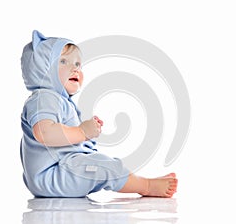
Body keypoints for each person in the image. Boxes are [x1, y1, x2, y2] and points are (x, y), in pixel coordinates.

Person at [20, 30, 178, 198]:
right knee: (105, 167)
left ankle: (142, 182)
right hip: (52, 176)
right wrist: (81, 132)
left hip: (57, 172)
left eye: (78, 64)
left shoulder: (57, 100)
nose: (75, 69)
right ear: (42, 69)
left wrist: (86, 135)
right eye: (64, 61)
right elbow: (44, 133)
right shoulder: (44, 98)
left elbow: (63, 141)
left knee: (101, 165)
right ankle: (145, 186)